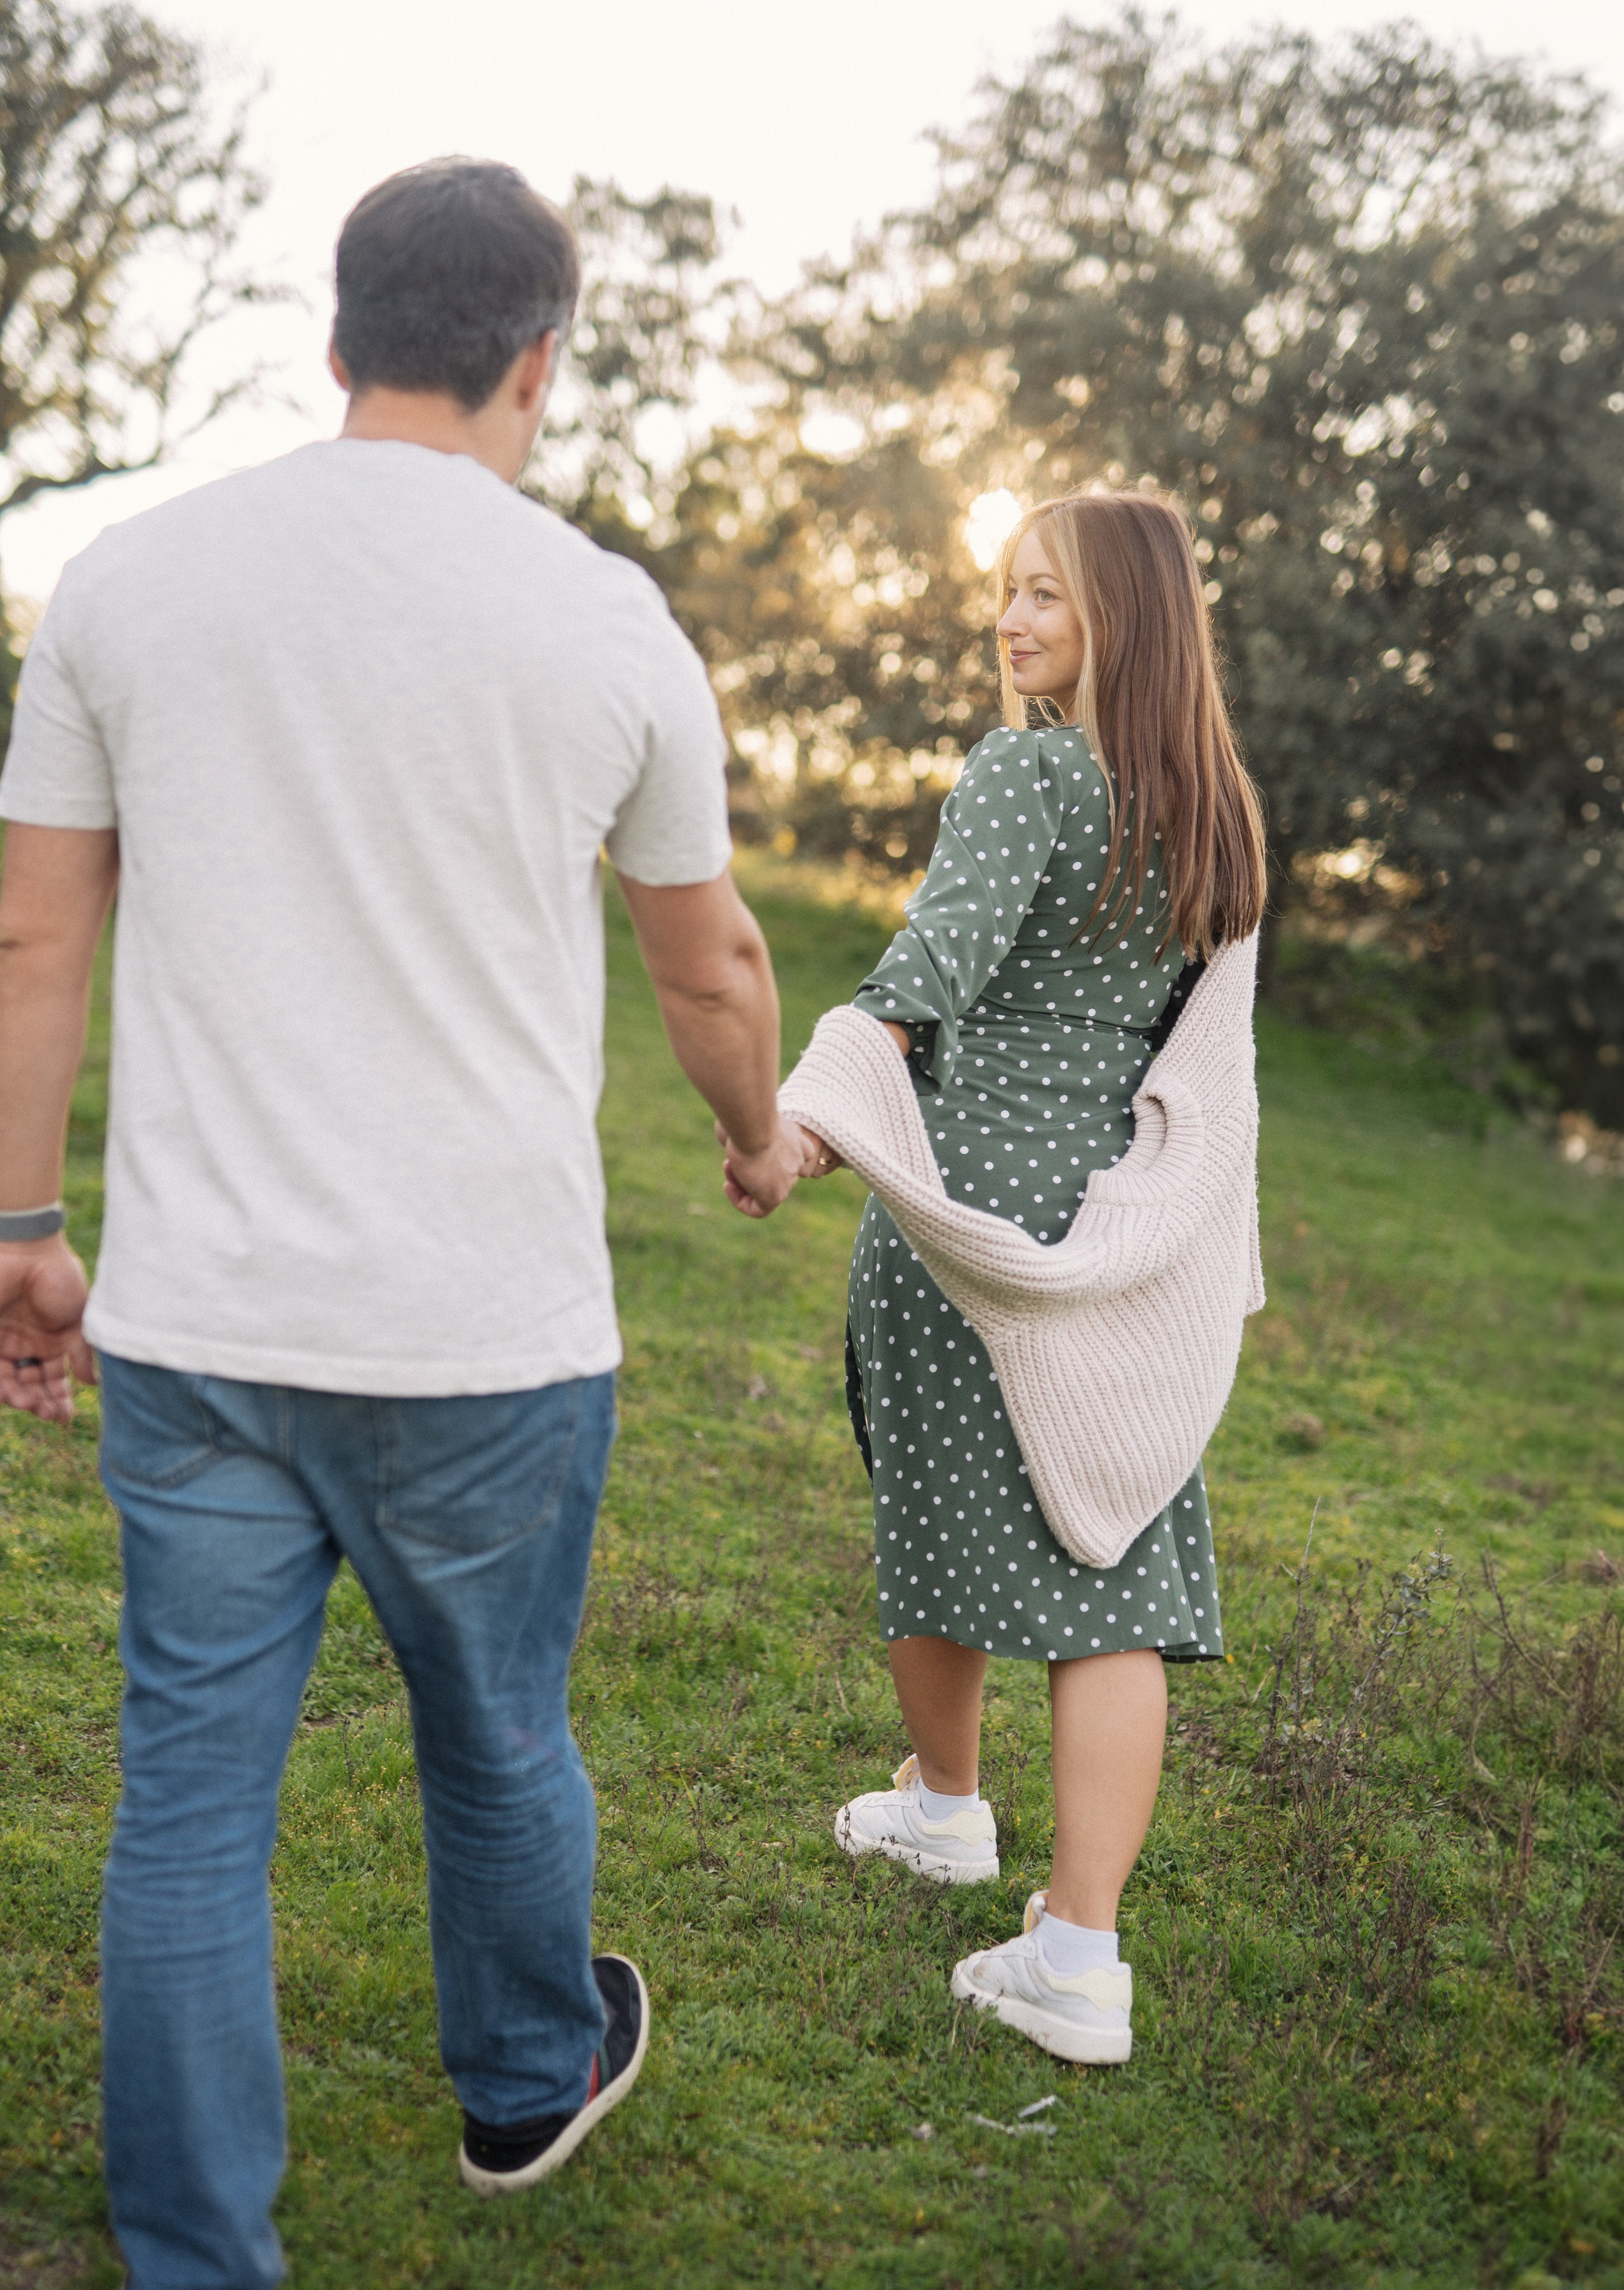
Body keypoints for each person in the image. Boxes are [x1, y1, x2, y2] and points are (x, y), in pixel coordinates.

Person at [0, 158, 804, 2286]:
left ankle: (194, 2250)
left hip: (199, 1323)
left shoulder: (127, 583)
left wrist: (20, 1223)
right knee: (498, 1729)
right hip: (487, 1336)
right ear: (539, 360)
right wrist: (754, 1137)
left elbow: (28, 938)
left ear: (338, 334)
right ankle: (526, 2079)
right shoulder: (605, 618)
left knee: (189, 1800)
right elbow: (714, 965)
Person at [757, 487, 1267, 2065]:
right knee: (1113, 1555)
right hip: (1119, 1219)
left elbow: (927, 969)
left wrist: (812, 1116)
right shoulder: (1217, 813)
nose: (1010, 618)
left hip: (974, 1201)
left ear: (1123, 611)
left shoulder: (1026, 770)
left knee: (937, 1501)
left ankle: (947, 1804)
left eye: (1045, 591)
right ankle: (1075, 1943)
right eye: (1005, 587)